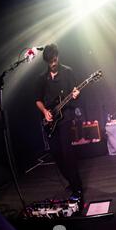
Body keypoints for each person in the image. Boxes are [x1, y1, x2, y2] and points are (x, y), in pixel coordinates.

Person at [35, 43, 82, 201]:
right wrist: (45, 112)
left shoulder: (67, 72)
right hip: (50, 120)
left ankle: (78, 188)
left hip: (66, 117)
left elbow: (75, 91)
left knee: (67, 153)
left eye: (54, 60)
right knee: (56, 153)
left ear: (57, 56)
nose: (53, 64)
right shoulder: (42, 78)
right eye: (50, 62)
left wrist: (76, 94)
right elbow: (38, 100)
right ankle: (71, 181)